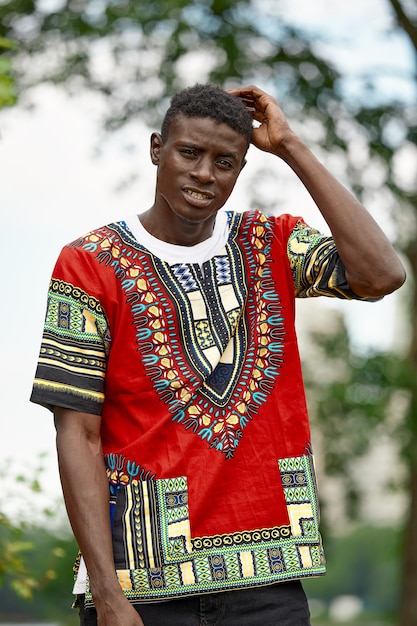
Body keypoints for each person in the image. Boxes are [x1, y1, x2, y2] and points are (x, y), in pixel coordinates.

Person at [30, 84, 405, 626]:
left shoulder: (270, 242)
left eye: (226, 162)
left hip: (269, 581)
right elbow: (78, 434)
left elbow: (381, 274)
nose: (205, 173)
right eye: (189, 153)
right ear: (157, 148)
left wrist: (291, 146)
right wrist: (109, 597)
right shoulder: (88, 265)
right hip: (144, 583)